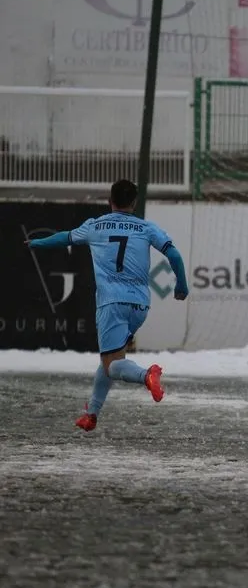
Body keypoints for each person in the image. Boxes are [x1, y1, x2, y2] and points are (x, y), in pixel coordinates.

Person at [25, 179, 189, 431]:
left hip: (111, 303)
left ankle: (147, 375)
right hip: (140, 306)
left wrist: (38, 243)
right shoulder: (146, 227)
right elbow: (174, 255)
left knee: (112, 365)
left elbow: (64, 238)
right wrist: (181, 286)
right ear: (134, 202)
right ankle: (92, 413)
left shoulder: (96, 226)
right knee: (109, 359)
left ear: (109, 200)